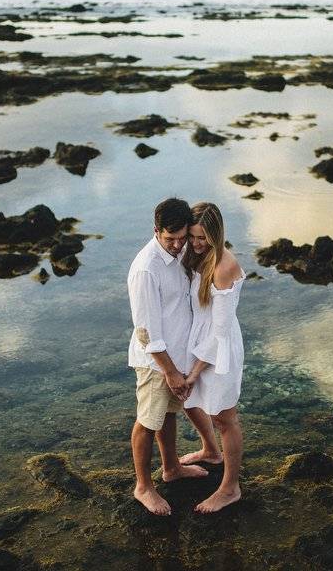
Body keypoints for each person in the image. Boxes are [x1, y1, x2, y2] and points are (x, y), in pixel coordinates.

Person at [127, 197, 209, 516]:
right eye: (169, 239)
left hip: (177, 357)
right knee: (148, 421)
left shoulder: (178, 252)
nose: (177, 245)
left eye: (182, 237)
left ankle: (172, 468)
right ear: (156, 231)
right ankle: (143, 487)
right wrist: (171, 372)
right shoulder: (146, 269)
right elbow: (146, 332)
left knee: (169, 414)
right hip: (155, 362)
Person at [179, 202, 246, 513]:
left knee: (224, 418)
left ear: (217, 235)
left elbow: (218, 333)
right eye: (192, 236)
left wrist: (194, 372)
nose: (195, 243)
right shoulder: (199, 257)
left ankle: (230, 487)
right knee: (188, 401)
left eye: (202, 238)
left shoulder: (222, 267)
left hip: (219, 352)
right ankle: (210, 451)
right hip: (198, 343)